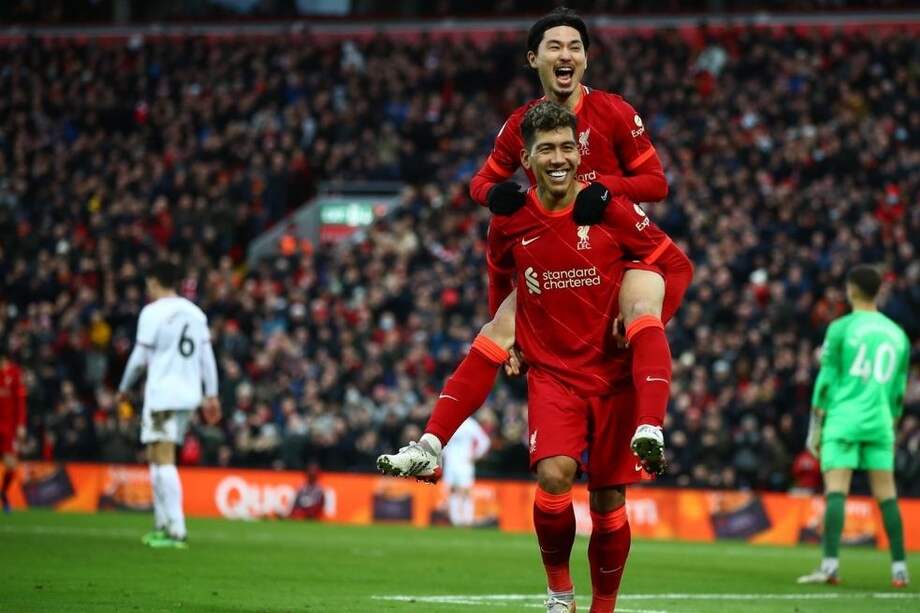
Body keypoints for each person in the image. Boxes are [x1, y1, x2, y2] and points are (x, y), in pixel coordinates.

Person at [378, 7, 689, 482]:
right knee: (497, 330)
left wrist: (604, 188)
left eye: (575, 46)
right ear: (534, 59)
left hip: (616, 243)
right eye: (555, 46)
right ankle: (429, 444)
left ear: (585, 58)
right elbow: (482, 183)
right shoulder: (522, 124)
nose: (566, 54)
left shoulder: (615, 111)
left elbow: (655, 182)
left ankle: (649, 427)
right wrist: (495, 194)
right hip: (554, 246)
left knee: (642, 309)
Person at [798, 265, 910, 588]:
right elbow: (899, 392)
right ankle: (900, 569)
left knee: (837, 490)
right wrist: (891, 423)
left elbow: (825, 382)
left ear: (851, 290)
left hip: (844, 418)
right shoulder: (897, 334)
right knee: (887, 495)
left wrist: (815, 429)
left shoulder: (841, 328)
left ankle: (830, 566)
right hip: (880, 421)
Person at [117, 261, 220, 548]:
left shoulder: (152, 313)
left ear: (154, 282)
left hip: (163, 394)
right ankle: (162, 525)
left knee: (163, 458)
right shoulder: (195, 313)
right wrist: (211, 394)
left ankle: (177, 529)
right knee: (155, 456)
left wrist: (123, 388)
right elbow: (206, 358)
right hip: (188, 395)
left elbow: (139, 359)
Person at [442, 416, 491, 527]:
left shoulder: (470, 423)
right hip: (450, 464)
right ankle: (455, 520)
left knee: (466, 492)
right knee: (452, 491)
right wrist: (445, 455)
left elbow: (485, 441)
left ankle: (468, 519)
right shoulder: (449, 421)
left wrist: (475, 455)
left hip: (464, 463)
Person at [0, 346, 27, 512]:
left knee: (11, 465)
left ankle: (3, 492)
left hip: (8, 427)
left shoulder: (15, 373)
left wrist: (21, 425)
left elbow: (21, 402)